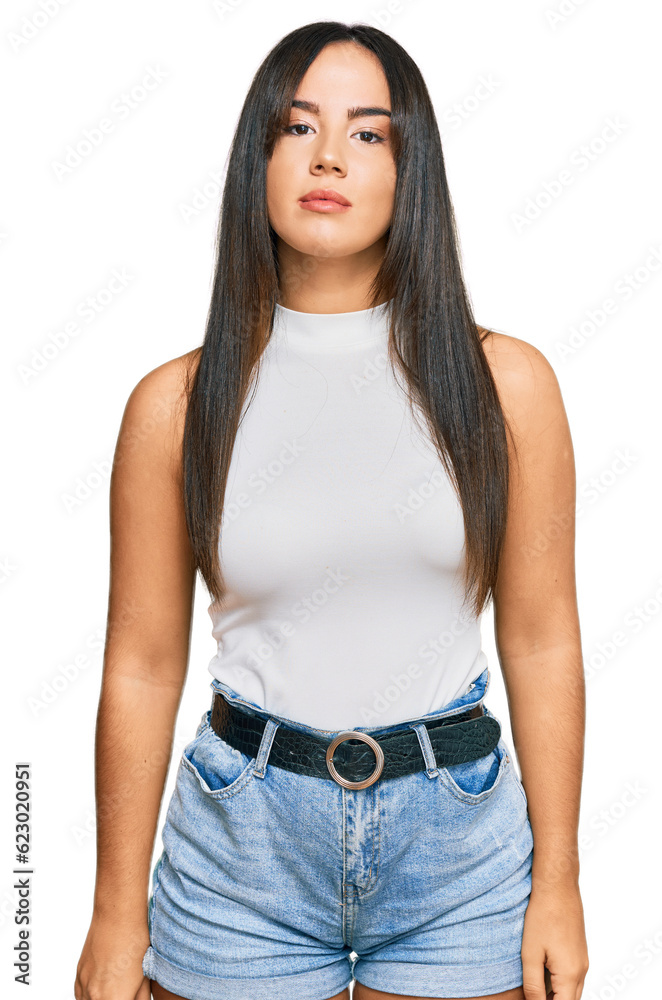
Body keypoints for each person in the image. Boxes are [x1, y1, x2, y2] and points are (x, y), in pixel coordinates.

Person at [74, 20, 589, 1000]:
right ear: (257, 158)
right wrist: (113, 910)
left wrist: (559, 880)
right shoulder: (173, 406)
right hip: (239, 851)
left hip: (459, 854)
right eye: (298, 126)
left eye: (367, 133)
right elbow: (140, 666)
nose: (327, 158)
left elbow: (541, 638)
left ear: (410, 167)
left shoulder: (506, 386)